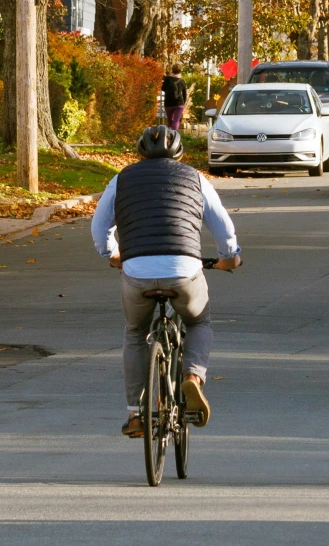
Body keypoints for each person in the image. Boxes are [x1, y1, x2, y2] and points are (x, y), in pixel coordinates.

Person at [93, 125, 240, 438]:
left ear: (139, 153)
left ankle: (135, 414)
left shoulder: (121, 179)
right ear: (181, 154)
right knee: (199, 322)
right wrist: (230, 256)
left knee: (135, 332)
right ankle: (193, 377)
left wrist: (113, 253)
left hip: (135, 270)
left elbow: (99, 226)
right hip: (185, 269)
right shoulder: (196, 178)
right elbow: (223, 226)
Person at [161, 68, 188, 133]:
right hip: (179, 104)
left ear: (172, 70)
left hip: (168, 103)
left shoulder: (167, 79)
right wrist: (183, 103)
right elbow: (184, 94)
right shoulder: (182, 81)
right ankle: (174, 135)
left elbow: (163, 88)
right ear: (180, 71)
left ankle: (169, 135)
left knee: (170, 120)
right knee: (176, 120)